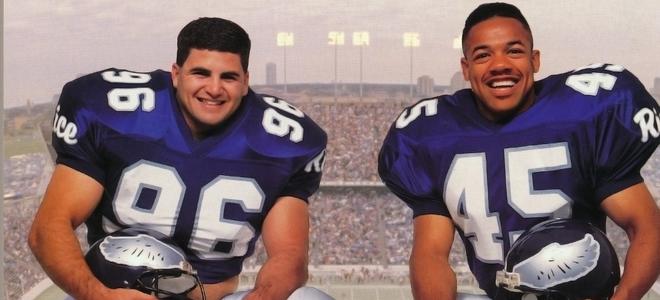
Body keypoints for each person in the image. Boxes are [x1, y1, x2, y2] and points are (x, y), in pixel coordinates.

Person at [29, 17, 329, 300]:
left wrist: (262, 297)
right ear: (176, 73)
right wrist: (99, 295)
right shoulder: (112, 112)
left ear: (246, 80)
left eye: (229, 77)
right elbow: (49, 227)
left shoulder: (285, 140)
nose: (213, 89)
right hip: (108, 294)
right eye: (200, 73)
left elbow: (290, 255)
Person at [378, 2, 659, 299]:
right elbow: (431, 253)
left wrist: (624, 297)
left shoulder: (581, 116)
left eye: (513, 51)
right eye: (483, 55)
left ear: (534, 60)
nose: (500, 64)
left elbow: (646, 224)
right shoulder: (432, 135)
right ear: (465, 68)